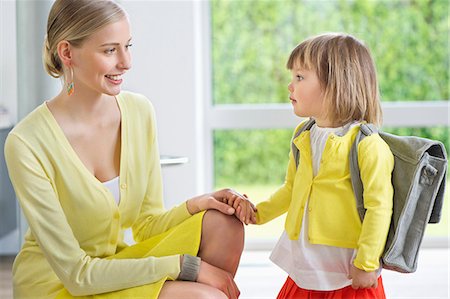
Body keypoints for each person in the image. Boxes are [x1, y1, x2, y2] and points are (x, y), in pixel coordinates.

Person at [4, 0, 255, 298]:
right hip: (61, 284)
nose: (126, 62)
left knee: (224, 223)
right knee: (204, 296)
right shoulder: (27, 142)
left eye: (128, 46)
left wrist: (199, 204)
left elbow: (147, 225)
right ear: (67, 52)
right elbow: (77, 275)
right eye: (110, 50)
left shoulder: (138, 111)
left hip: (115, 265)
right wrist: (186, 267)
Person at [235, 33, 394, 298]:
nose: (290, 85)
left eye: (300, 77)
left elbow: (379, 208)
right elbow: (291, 188)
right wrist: (258, 213)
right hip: (306, 272)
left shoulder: (367, 144)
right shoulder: (303, 134)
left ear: (335, 84)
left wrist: (366, 263)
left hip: (348, 276)